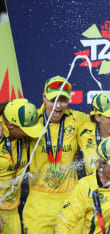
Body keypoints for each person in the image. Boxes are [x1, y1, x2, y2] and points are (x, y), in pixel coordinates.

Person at [22, 75, 90, 233]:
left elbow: (107, 120)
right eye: (53, 100)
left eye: (63, 100)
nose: (58, 106)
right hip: (38, 202)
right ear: (44, 97)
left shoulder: (78, 119)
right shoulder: (32, 120)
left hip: (69, 200)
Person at [0, 99, 43, 234]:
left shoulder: (21, 135)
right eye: (26, 130)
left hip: (12, 211)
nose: (30, 133)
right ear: (11, 125)